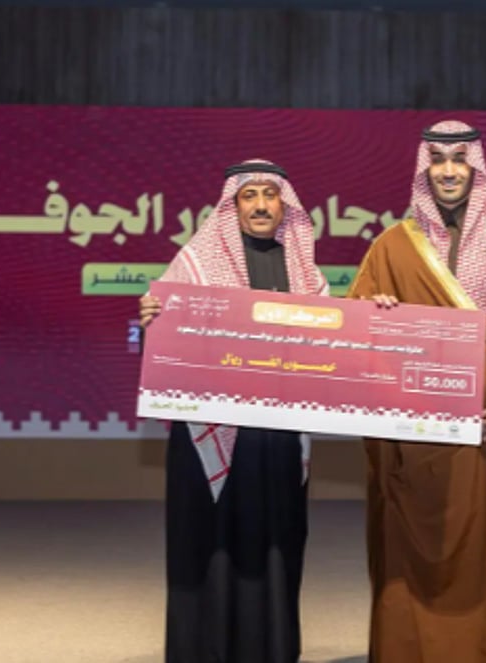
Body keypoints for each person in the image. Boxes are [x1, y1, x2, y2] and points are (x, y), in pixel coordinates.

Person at [346, 121, 486, 662]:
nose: (448, 171)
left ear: (477, 167)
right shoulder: (392, 246)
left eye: (459, 159)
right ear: (424, 168)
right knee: (418, 555)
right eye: (438, 160)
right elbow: (355, 335)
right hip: (418, 433)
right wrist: (378, 313)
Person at [139, 159, 329, 663]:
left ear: (284, 204)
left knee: (276, 544)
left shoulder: (306, 273)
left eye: (270, 194)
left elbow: (332, 347)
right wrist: (152, 319)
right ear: (233, 205)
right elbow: (166, 341)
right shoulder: (196, 264)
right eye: (250, 195)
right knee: (212, 545)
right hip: (214, 434)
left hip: (278, 437)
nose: (261, 205)